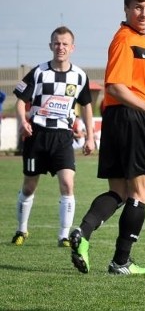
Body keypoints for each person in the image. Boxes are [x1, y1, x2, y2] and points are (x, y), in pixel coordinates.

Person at [70, 0, 145, 275]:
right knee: (141, 189)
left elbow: (137, 89)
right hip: (131, 118)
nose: (144, 13)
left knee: (118, 191)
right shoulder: (125, 40)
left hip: (122, 118)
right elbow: (116, 85)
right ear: (126, 9)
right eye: (138, 7)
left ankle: (83, 233)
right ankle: (121, 261)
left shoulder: (141, 40)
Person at [12, 26, 95, 247]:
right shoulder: (38, 72)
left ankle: (64, 235)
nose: (60, 47)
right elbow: (20, 101)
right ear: (51, 46)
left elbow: (86, 106)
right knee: (29, 187)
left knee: (68, 184)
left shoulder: (79, 76)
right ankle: (21, 230)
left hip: (63, 138)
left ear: (72, 47)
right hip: (37, 136)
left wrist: (90, 137)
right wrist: (23, 122)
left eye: (65, 44)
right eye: (57, 43)